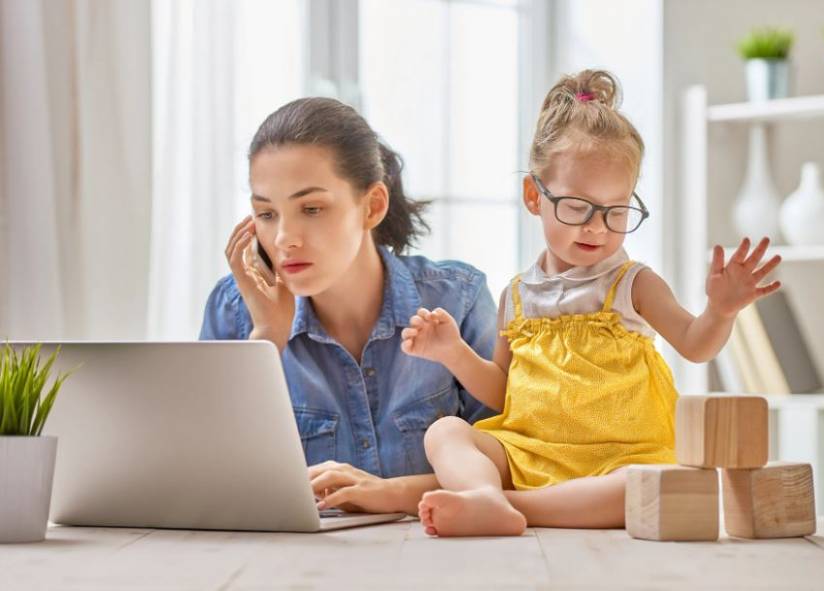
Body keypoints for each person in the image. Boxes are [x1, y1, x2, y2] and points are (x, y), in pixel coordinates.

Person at [401, 69, 782, 537]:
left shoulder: (633, 283)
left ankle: (505, 505)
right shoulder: (516, 297)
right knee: (445, 433)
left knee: (650, 485)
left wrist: (720, 312)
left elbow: (696, 345)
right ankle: (488, 497)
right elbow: (505, 393)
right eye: (578, 208)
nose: (597, 228)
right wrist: (453, 352)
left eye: (616, 211)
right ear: (533, 196)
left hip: (621, 457)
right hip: (529, 452)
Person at [200, 97, 497, 515]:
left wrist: (389, 493)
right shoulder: (234, 311)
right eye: (266, 214)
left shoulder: (456, 298)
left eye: (312, 208)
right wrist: (266, 340)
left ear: (372, 205)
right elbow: (209, 481)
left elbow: (518, 460)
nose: (284, 237)